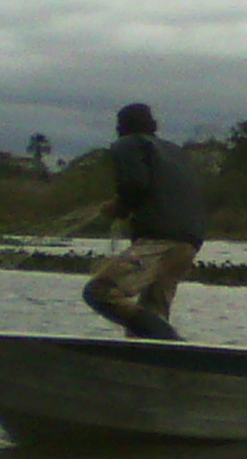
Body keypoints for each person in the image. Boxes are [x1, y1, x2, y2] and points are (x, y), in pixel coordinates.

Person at [83, 103, 206, 340]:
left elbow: (134, 185)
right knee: (153, 310)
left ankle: (173, 342)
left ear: (121, 127)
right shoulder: (175, 152)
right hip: (189, 244)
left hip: (158, 240)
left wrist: (120, 207)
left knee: (100, 292)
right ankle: (157, 357)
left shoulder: (128, 144)